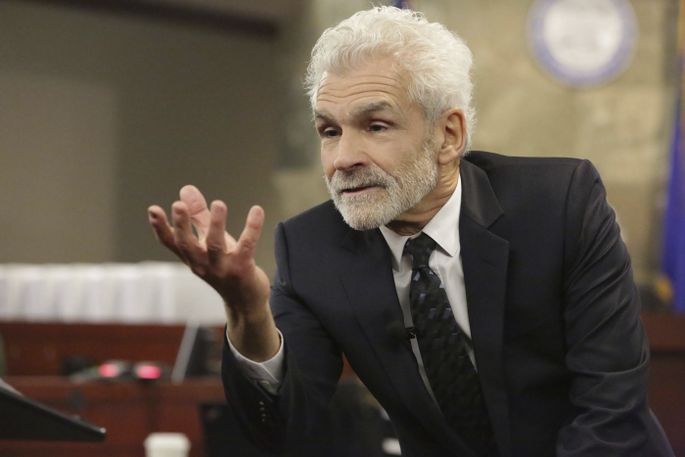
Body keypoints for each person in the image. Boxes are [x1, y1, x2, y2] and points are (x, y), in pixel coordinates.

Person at [148, 7, 674, 457]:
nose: (343, 158)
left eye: (375, 126)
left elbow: (610, 411)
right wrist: (247, 311)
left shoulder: (558, 204)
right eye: (329, 130)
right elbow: (282, 430)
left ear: (448, 135)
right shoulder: (312, 249)